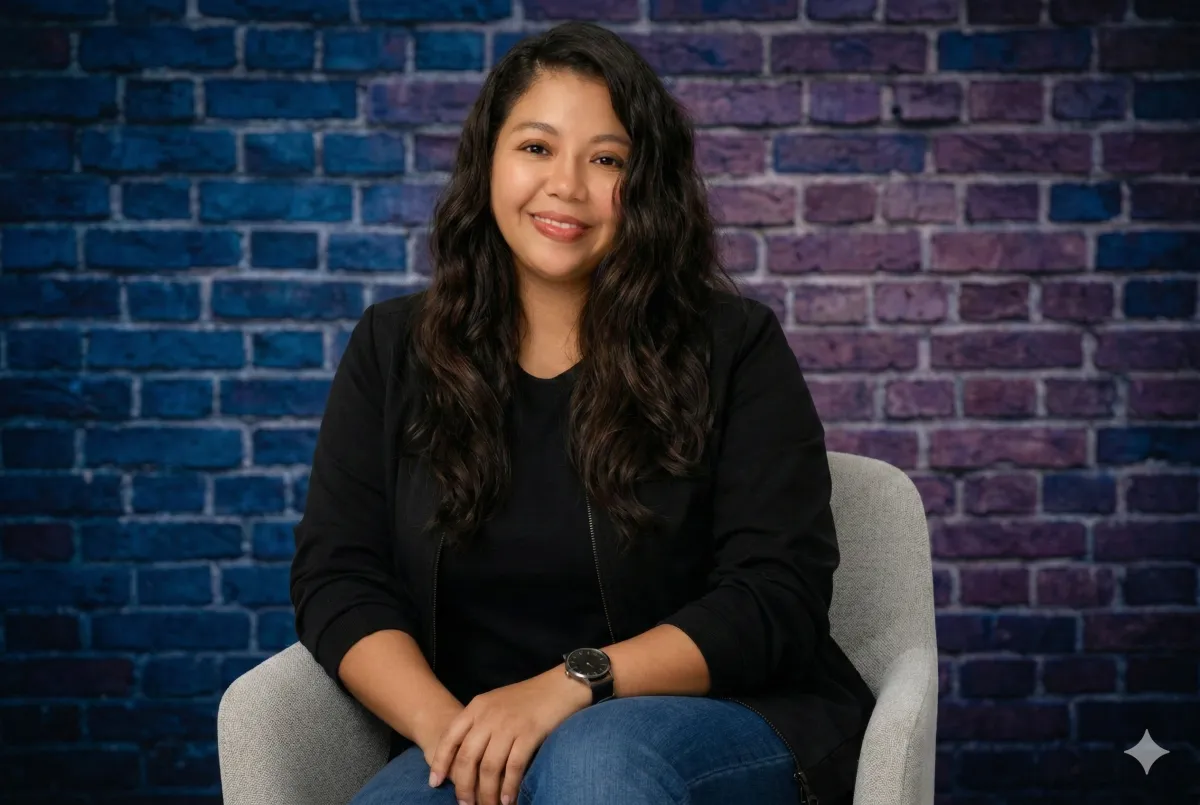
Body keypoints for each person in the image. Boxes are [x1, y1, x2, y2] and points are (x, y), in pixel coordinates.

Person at [289, 21, 876, 805]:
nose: (566, 185)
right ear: (487, 161)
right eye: (536, 147)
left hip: (731, 718)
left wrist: (573, 684)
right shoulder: (392, 349)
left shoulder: (734, 346)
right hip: (488, 729)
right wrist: (448, 729)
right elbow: (339, 577)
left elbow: (775, 594)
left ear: (646, 187)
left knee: (595, 762)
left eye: (606, 160)